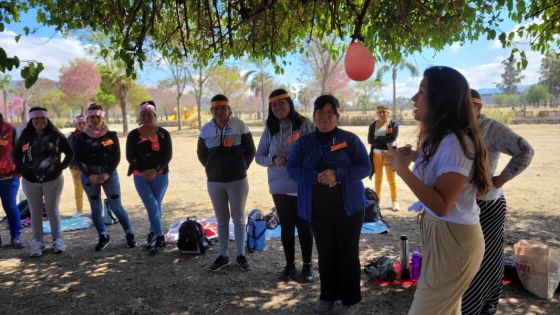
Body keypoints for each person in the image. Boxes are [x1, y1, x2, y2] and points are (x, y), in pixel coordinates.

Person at [386, 66, 490, 315]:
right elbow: (438, 177)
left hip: (454, 241)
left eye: (422, 90)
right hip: (444, 237)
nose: (414, 98)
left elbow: (442, 205)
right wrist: (413, 157)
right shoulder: (441, 140)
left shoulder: (455, 143)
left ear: (441, 99)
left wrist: (404, 170)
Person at [287, 95, 371, 314]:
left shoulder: (350, 140)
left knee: (347, 253)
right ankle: (328, 296)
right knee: (325, 253)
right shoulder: (303, 143)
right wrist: (316, 177)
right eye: (320, 113)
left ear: (337, 115)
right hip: (317, 207)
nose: (324, 117)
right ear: (313, 116)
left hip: (349, 207)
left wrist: (338, 174)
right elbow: (292, 169)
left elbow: (365, 167)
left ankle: (350, 300)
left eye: (329, 113)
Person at [461, 89, 534, 315]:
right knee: (466, 257)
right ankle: (467, 300)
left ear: (478, 107)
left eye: (467, 105)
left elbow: (525, 151)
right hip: (461, 206)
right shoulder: (454, 128)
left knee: (487, 257)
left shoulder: (491, 128)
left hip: (487, 205)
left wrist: (501, 178)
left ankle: (484, 303)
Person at [255, 89, 315, 283]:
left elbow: (317, 149)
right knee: (287, 227)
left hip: (302, 184)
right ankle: (289, 265)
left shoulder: (304, 124)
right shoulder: (269, 130)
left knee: (304, 226)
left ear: (289, 103)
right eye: (274, 105)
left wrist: (301, 160)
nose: (278, 108)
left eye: (281, 103)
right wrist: (273, 159)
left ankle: (307, 267)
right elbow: (259, 157)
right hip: (279, 186)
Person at [197, 94, 255, 272]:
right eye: (216, 108)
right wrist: (212, 168)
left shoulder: (239, 125)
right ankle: (223, 255)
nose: (220, 112)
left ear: (229, 109)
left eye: (223, 108)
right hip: (215, 182)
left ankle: (240, 255)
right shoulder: (206, 129)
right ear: (211, 111)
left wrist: (241, 166)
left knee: (238, 218)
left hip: (238, 180)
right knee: (221, 220)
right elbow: (202, 154)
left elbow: (250, 150)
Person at [74, 103, 136, 251]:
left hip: (110, 174)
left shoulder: (111, 135)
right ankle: (103, 236)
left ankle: (129, 233)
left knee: (116, 206)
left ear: (102, 117)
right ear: (87, 119)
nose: (95, 120)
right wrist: (90, 175)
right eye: (91, 117)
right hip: (89, 177)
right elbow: (78, 159)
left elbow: (117, 157)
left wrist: (107, 173)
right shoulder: (81, 138)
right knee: (96, 209)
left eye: (98, 117)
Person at [13, 107, 73, 257]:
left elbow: (70, 153)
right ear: (31, 120)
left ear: (47, 119)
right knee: (35, 212)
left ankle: (57, 240)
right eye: (36, 119)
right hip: (30, 181)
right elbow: (16, 156)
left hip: (53, 180)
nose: (39, 121)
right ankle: (38, 242)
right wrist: (24, 170)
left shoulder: (56, 135)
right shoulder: (25, 136)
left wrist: (60, 167)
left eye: (42, 118)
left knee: (52, 210)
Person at [126, 101, 172, 255]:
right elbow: (130, 156)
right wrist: (143, 170)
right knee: (151, 205)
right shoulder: (133, 135)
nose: (147, 117)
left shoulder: (163, 133)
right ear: (140, 117)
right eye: (143, 115)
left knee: (156, 205)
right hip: (140, 176)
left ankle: (153, 233)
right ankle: (160, 237)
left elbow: (167, 155)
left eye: (149, 114)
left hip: (160, 175)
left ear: (155, 115)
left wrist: (155, 169)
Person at [367, 105, 400, 210]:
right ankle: (377, 201)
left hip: (389, 154)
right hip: (376, 154)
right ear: (377, 113)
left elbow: (393, 138)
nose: (382, 114)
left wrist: (377, 138)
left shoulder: (393, 124)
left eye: (384, 112)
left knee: (391, 179)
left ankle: (395, 201)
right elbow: (370, 141)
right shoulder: (373, 125)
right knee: (378, 179)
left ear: (389, 113)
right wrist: (384, 139)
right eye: (380, 112)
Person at [0, 112, 25, 249]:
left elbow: (21, 151)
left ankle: (16, 237)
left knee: (10, 207)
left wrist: (19, 171)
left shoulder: (10, 130)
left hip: (9, 178)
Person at [67, 115, 87, 217]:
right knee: (78, 190)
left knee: (93, 190)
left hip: (90, 168)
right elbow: (69, 152)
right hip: (75, 168)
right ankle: (79, 211)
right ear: (76, 124)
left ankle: (96, 209)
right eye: (80, 124)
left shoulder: (92, 134)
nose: (82, 125)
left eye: (84, 123)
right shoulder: (71, 137)